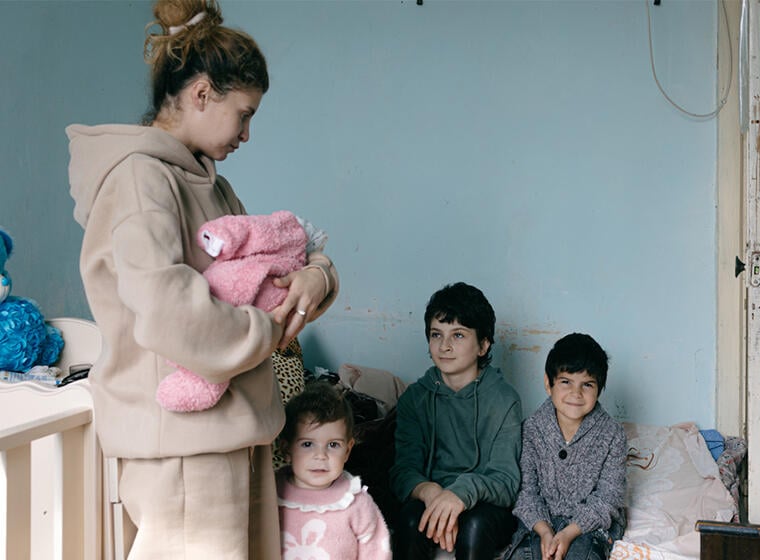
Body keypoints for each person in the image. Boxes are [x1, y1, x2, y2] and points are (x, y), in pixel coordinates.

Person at [66, 1, 339, 556]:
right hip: (187, 445)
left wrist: (317, 277)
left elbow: (271, 261)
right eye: (244, 114)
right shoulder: (141, 180)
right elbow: (170, 310)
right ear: (200, 95)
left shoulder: (212, 187)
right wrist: (268, 329)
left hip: (238, 429)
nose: (247, 134)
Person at [390, 282, 523, 560]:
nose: (445, 346)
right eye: (436, 335)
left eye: (459, 335)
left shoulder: (504, 399)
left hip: (485, 505)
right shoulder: (415, 398)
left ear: (483, 345)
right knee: (411, 521)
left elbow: (506, 481)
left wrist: (461, 494)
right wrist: (430, 492)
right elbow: (404, 470)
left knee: (473, 527)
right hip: (432, 497)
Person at [505, 333, 627, 560]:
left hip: (588, 526)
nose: (576, 393)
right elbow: (525, 491)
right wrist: (544, 531)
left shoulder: (613, 435)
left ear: (599, 389)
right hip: (541, 521)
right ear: (548, 383)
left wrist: (569, 533)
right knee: (525, 554)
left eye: (587, 384)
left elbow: (609, 497)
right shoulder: (531, 430)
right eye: (565, 381)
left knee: (581, 554)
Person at [275, 382, 391, 560]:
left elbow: (376, 552)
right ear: (286, 449)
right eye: (307, 444)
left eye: (333, 445)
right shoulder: (269, 493)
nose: (321, 455)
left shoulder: (356, 502)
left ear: (348, 450)